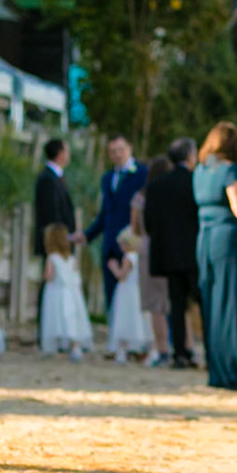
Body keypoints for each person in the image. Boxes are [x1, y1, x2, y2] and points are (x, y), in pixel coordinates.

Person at [193, 122, 237, 391]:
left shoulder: (200, 170)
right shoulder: (230, 171)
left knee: (212, 307)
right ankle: (232, 373)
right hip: (230, 242)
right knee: (230, 307)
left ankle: (217, 370)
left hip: (205, 240)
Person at [142, 138, 200, 369]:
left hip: (169, 255)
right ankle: (206, 349)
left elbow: (149, 223)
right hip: (194, 253)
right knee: (200, 302)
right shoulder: (196, 182)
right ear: (190, 156)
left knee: (177, 305)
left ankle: (179, 353)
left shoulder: (156, 186)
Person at [84, 134, 148, 311]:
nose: (117, 154)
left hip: (133, 245)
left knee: (134, 301)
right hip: (111, 245)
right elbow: (106, 213)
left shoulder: (143, 173)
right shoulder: (107, 178)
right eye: (113, 151)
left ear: (130, 148)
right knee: (113, 300)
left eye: (120, 150)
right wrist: (88, 235)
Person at [31, 137, 80, 334]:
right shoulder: (47, 180)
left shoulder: (55, 178)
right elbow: (52, 215)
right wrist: (58, 241)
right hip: (55, 243)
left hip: (61, 242)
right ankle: (48, 330)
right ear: (60, 154)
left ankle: (57, 329)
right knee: (51, 283)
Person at [132, 156, 173, 365]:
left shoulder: (141, 197)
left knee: (156, 305)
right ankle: (184, 347)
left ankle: (163, 349)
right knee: (174, 301)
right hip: (172, 247)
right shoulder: (172, 195)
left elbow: (136, 228)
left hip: (149, 247)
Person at [38, 223, 93, 360]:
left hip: (56, 293)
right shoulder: (71, 259)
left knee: (56, 318)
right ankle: (75, 347)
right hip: (72, 294)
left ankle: (56, 345)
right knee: (71, 319)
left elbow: (49, 276)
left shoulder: (52, 258)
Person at [105, 230, 152, 360]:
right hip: (137, 291)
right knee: (137, 317)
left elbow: (122, 276)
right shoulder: (140, 257)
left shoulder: (128, 258)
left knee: (125, 317)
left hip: (126, 292)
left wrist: (114, 268)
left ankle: (123, 350)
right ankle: (140, 349)